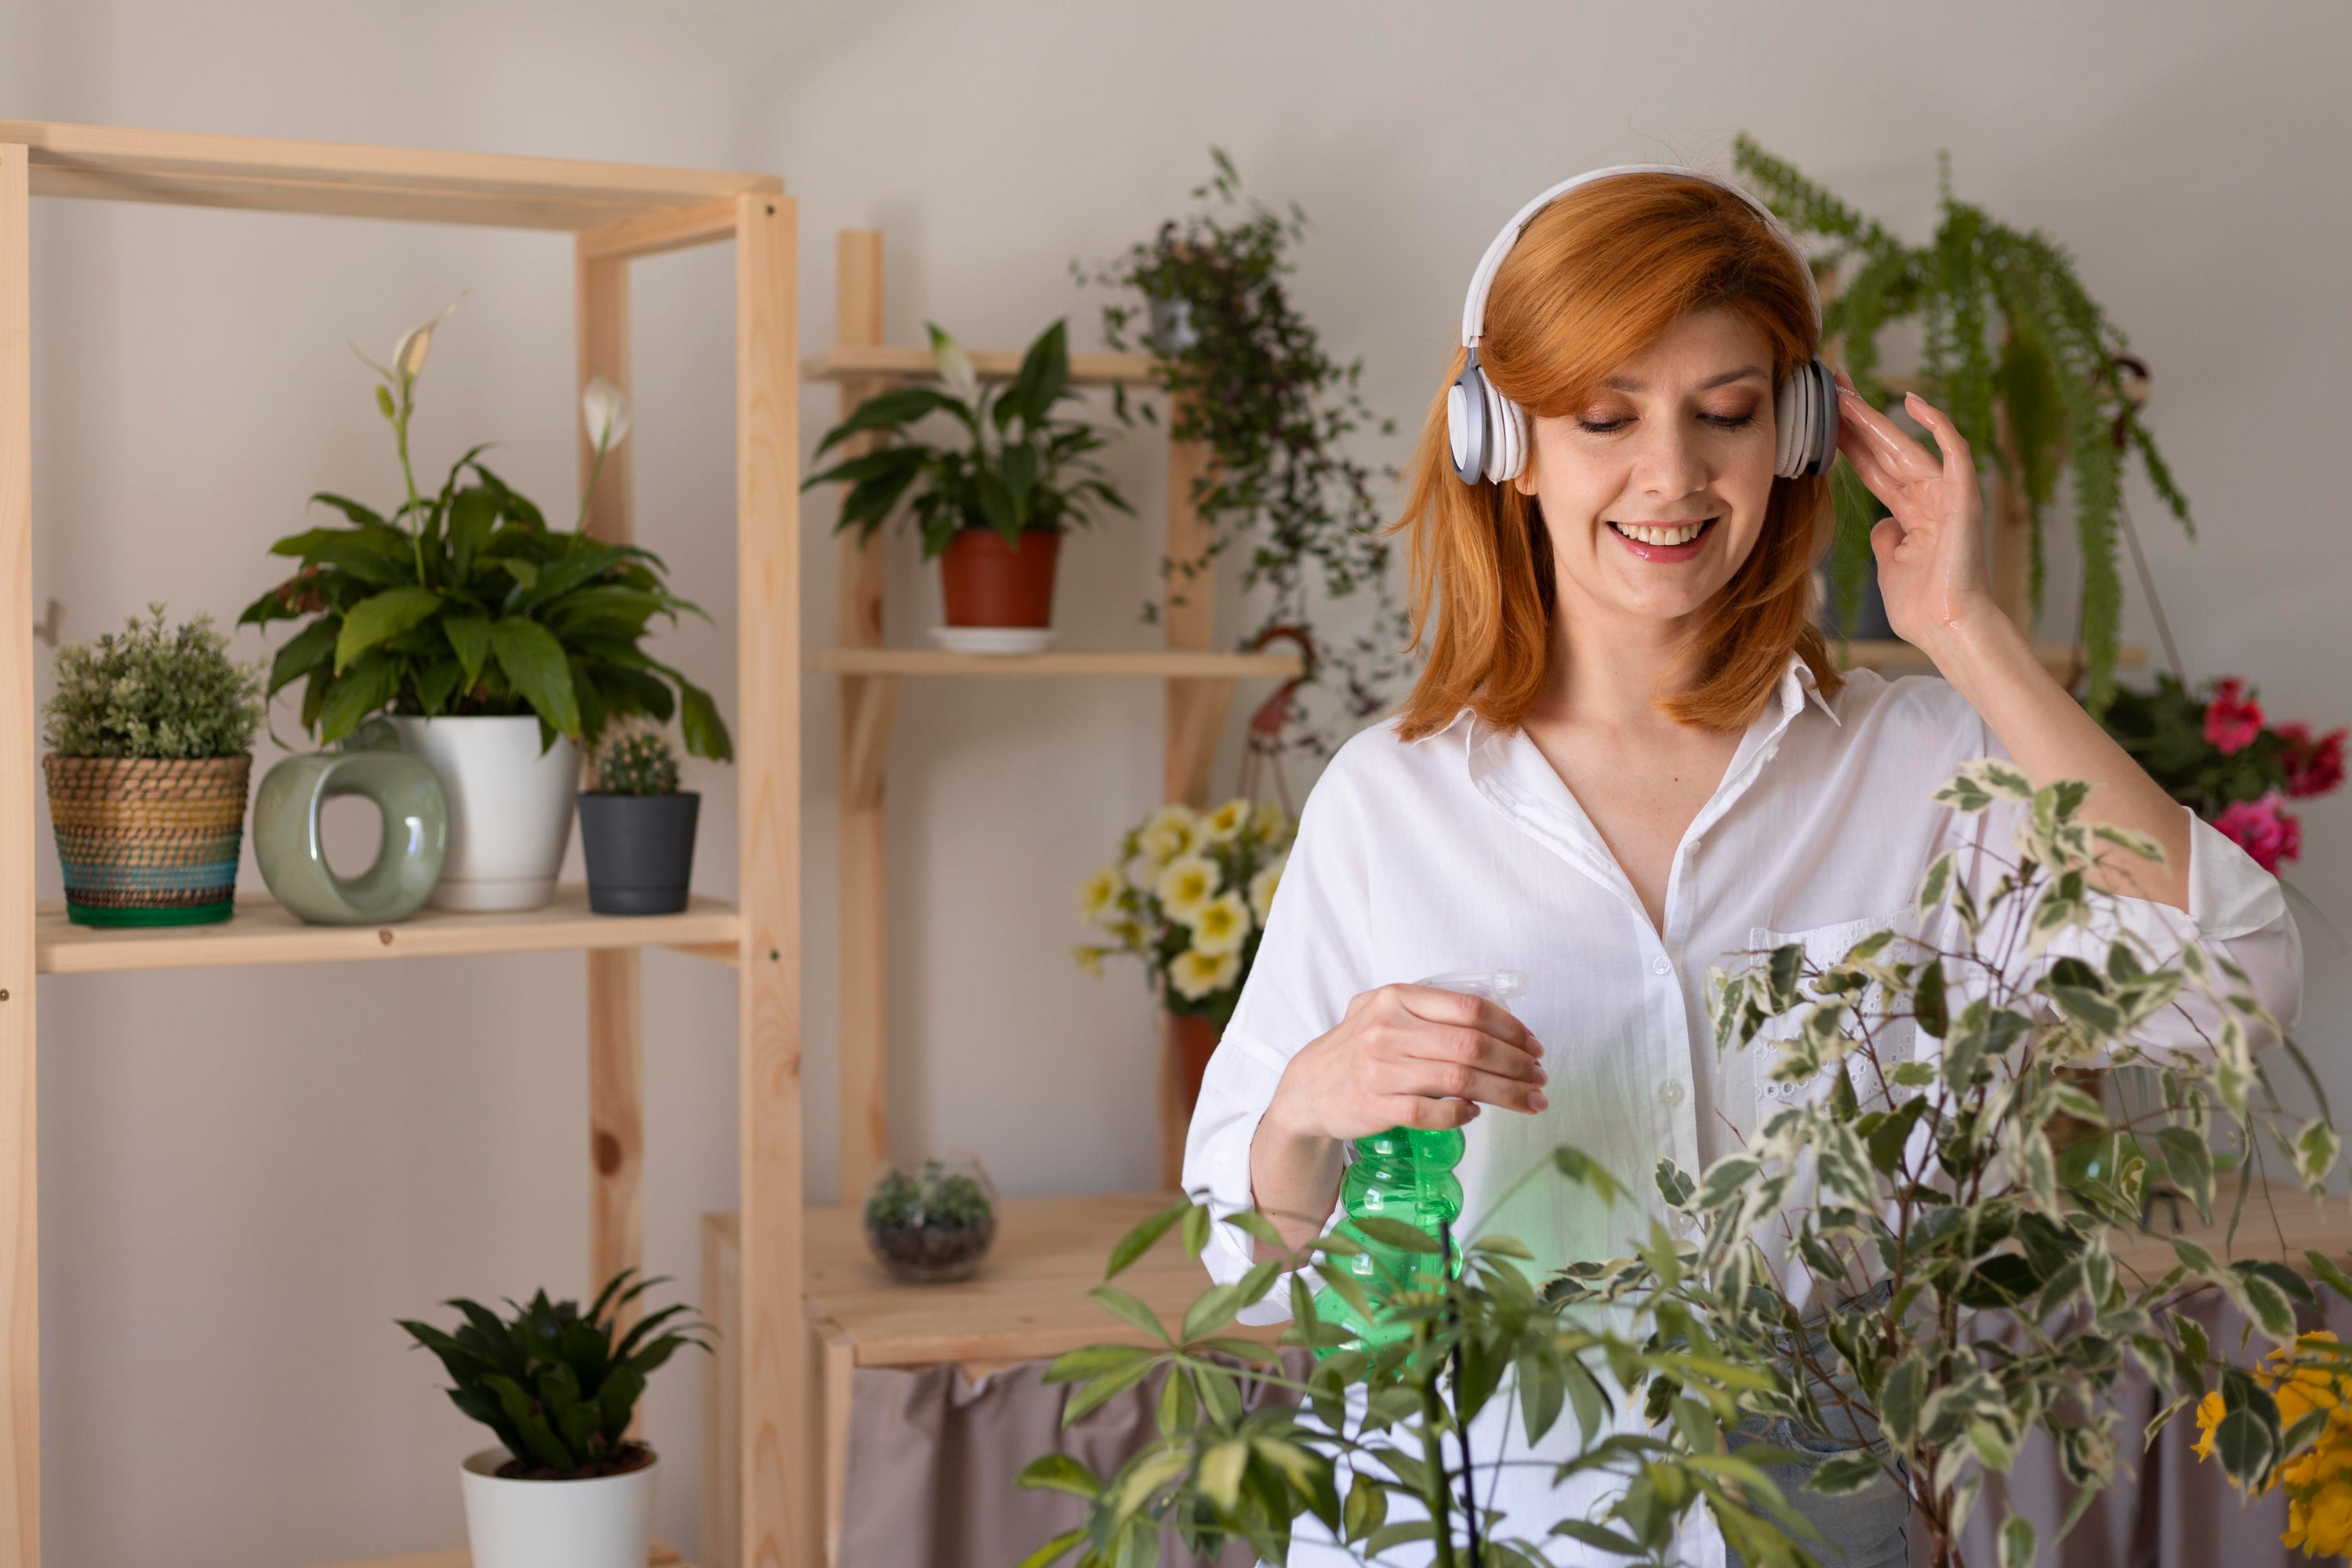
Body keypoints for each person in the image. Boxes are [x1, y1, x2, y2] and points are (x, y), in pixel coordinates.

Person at [1181, 167, 2303, 1567]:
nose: (1673, 475)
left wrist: (1966, 632)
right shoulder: (1390, 802)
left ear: (1796, 435)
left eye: (1726, 413)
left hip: (1820, 1518)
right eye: (1606, 419)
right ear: (1500, 441)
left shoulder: (1917, 767)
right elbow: (1254, 1272)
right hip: (1465, 1523)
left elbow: (2227, 989)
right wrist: (1307, 1108)